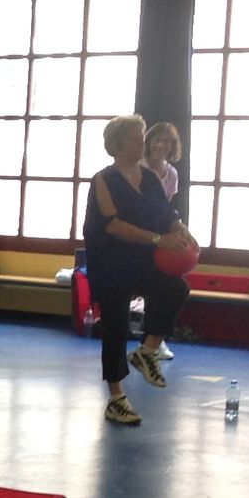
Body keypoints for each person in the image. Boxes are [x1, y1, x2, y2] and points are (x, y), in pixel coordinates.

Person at [83, 116, 196, 427]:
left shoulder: (149, 178)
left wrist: (183, 231)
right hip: (110, 261)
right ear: (118, 144)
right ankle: (117, 398)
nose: (142, 142)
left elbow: (166, 214)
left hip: (141, 258)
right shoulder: (103, 179)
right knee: (116, 327)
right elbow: (113, 225)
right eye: (136, 138)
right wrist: (160, 239)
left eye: (142, 137)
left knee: (176, 289)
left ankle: (147, 351)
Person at [142, 120, 185, 362]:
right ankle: (150, 341)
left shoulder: (172, 173)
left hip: (160, 234)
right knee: (159, 286)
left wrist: (178, 232)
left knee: (171, 285)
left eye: (166, 141)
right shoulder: (137, 167)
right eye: (157, 139)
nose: (161, 145)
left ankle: (155, 341)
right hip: (138, 236)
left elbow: (165, 209)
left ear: (172, 147)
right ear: (149, 142)